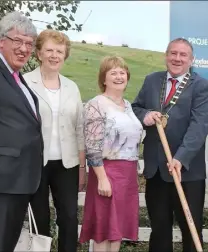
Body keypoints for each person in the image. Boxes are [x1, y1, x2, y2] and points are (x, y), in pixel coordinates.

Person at [131, 38, 208, 252]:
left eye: (183, 55)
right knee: (159, 229)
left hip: (186, 171)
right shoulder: (151, 80)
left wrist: (180, 158)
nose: (177, 58)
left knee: (191, 228)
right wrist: (146, 115)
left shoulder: (203, 87)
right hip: (156, 170)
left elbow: (199, 127)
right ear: (166, 56)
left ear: (191, 59)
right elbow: (135, 107)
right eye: (173, 53)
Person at [22, 29, 86, 252]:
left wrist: (82, 166)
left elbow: (79, 128)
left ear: (65, 55)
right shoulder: (24, 82)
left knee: (68, 217)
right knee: (40, 219)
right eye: (49, 49)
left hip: (67, 164)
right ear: (38, 53)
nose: (54, 55)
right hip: (35, 164)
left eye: (59, 51)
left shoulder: (72, 87)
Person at [0, 11, 42, 251]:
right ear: (1, 41)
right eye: (17, 41)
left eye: (29, 43)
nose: (23, 48)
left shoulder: (16, 77)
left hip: (18, 182)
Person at [79, 56, 144, 252]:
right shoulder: (96, 104)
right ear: (104, 79)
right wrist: (102, 178)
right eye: (113, 72)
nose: (118, 76)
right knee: (102, 229)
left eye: (122, 72)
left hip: (128, 174)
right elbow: (92, 145)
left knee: (117, 229)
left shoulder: (128, 105)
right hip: (106, 172)